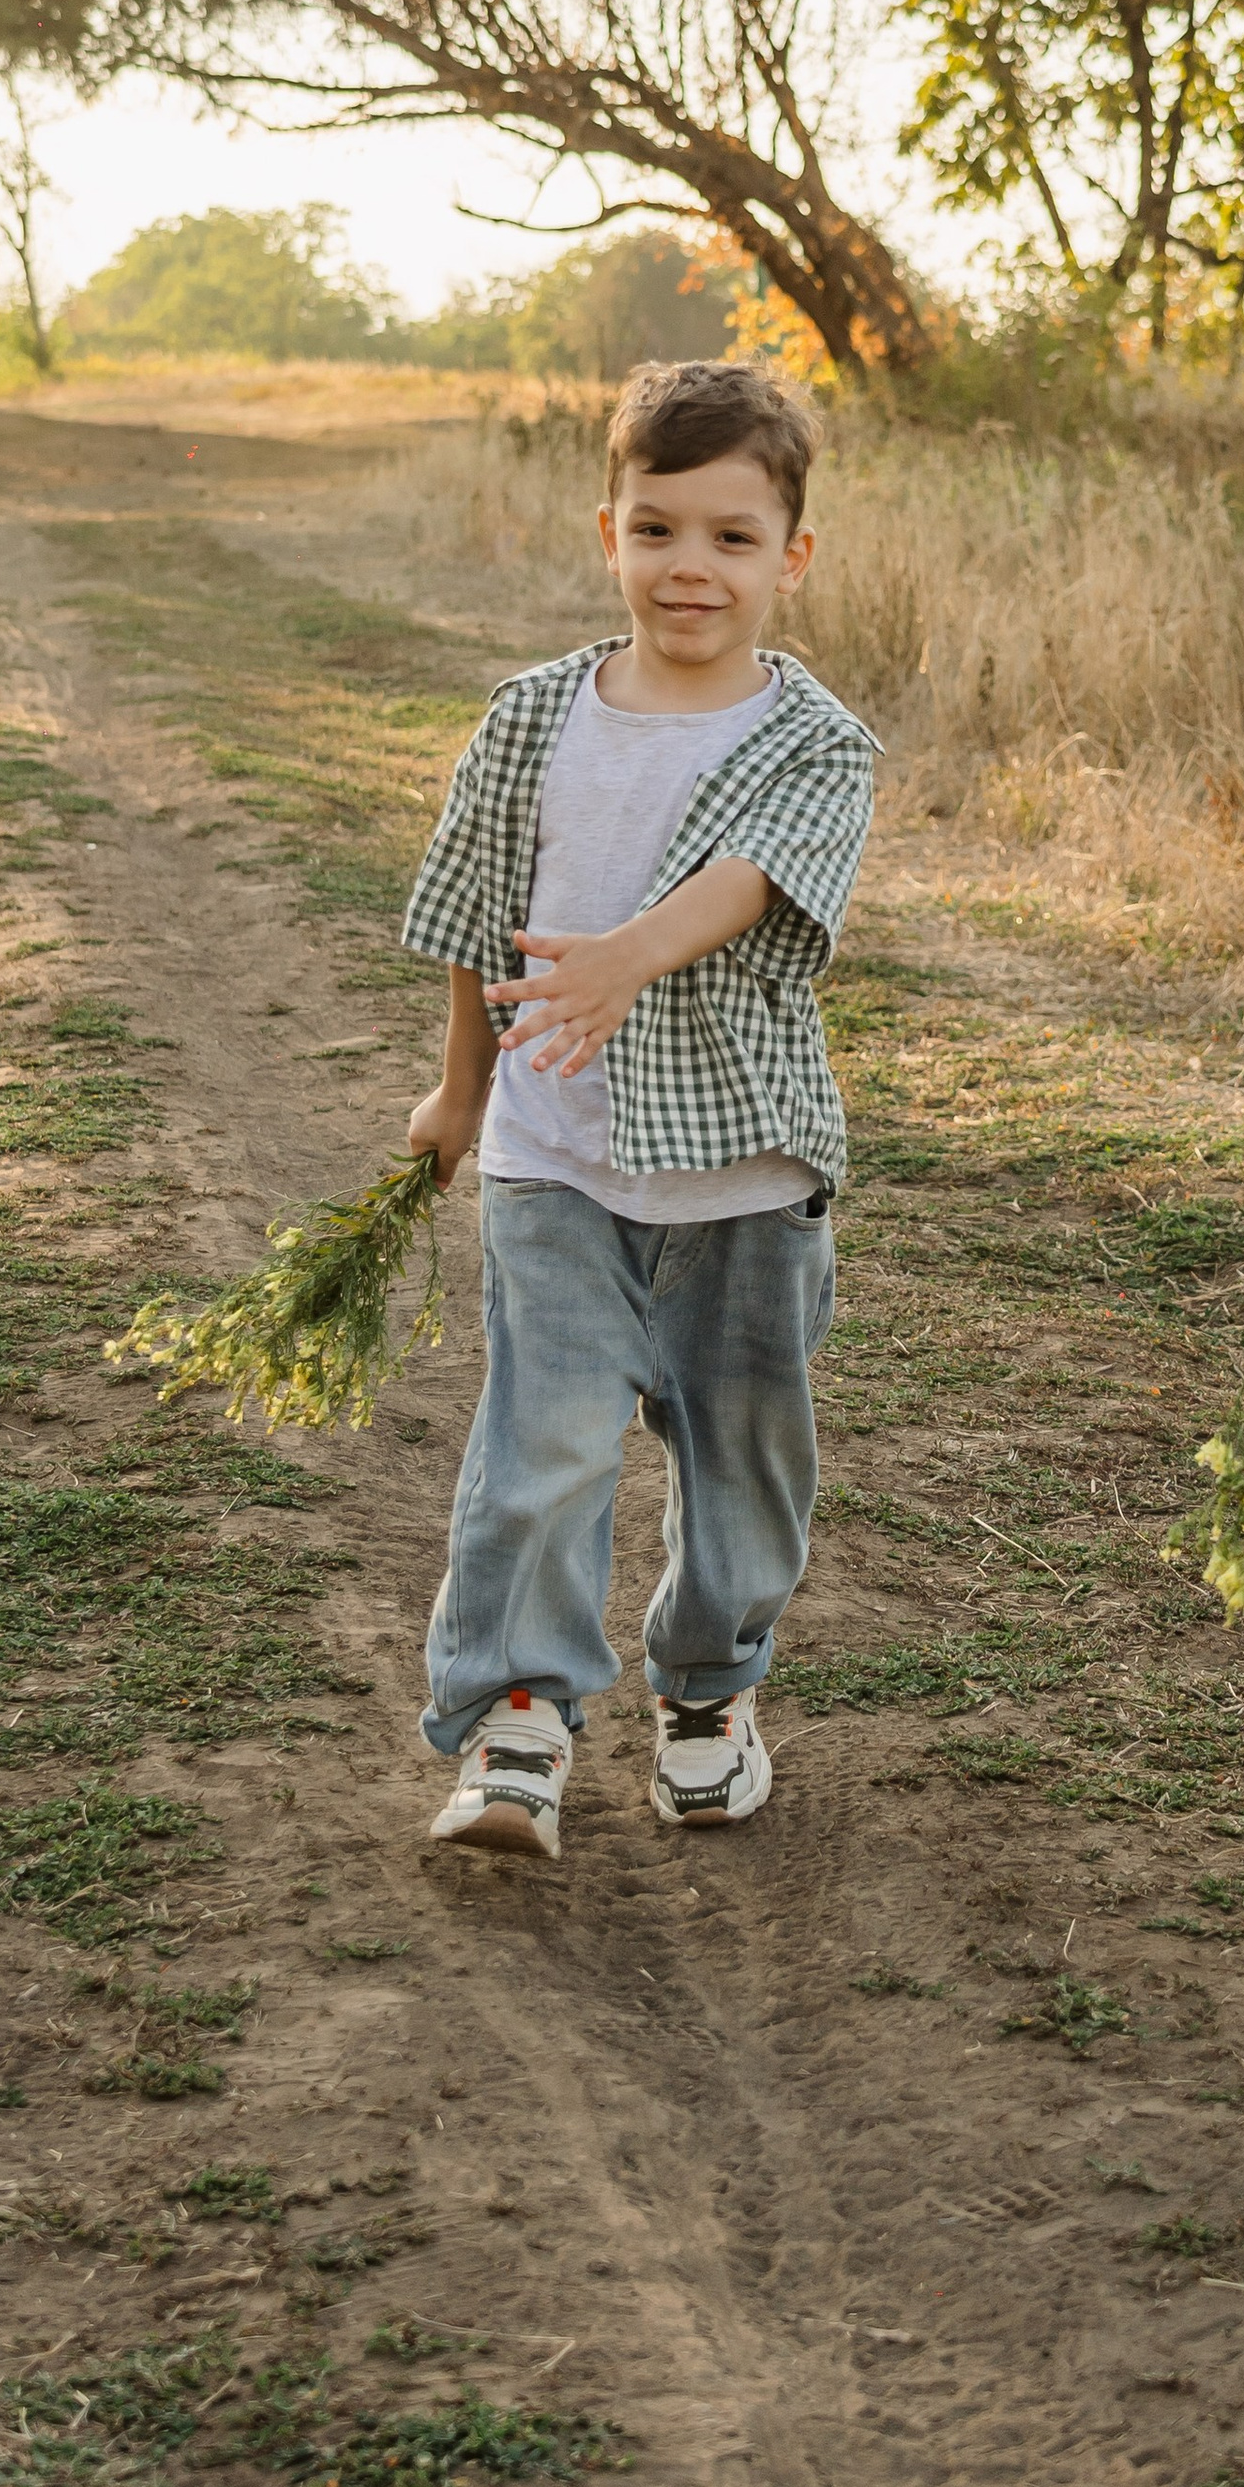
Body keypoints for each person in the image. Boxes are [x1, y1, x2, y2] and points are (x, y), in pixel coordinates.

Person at [401, 357, 876, 1861]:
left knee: (748, 1479)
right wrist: (461, 1093)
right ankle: (520, 1717)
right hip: (555, 1164)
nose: (692, 567)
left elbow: (746, 884)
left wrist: (623, 957)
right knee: (541, 1447)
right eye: (658, 528)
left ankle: (708, 1691)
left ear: (790, 558)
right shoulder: (533, 716)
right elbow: (486, 927)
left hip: (743, 1178)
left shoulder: (818, 741)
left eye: (733, 537)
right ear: (607, 530)